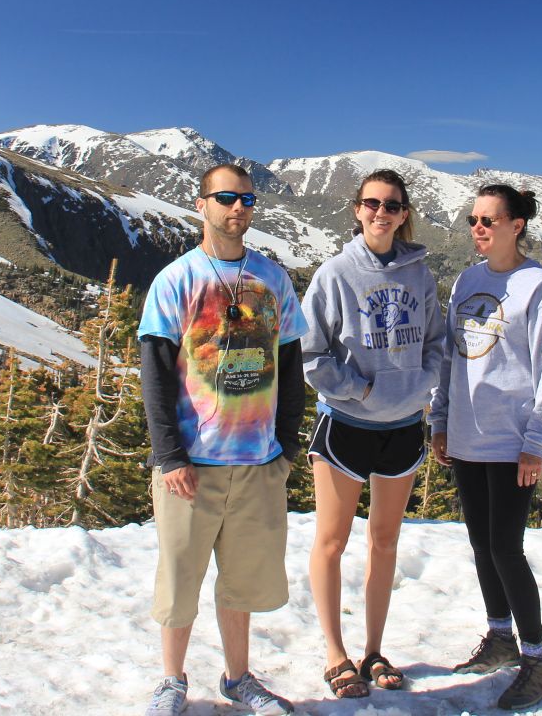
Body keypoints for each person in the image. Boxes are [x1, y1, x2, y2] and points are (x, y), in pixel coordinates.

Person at [139, 163, 307, 716]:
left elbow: (289, 363)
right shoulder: (177, 280)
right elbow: (157, 375)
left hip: (258, 462)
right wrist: (168, 454)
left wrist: (283, 447)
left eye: (247, 200)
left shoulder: (272, 280)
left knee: (242, 581)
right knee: (180, 578)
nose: (238, 209)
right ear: (202, 204)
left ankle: (239, 678)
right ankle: (171, 680)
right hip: (192, 465)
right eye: (227, 198)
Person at [300, 169, 447, 699]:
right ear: (356, 210)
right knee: (332, 541)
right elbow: (311, 354)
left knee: (385, 542)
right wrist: (360, 391)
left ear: (404, 214)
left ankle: (374, 650)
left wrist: (421, 384)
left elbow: (436, 339)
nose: (380, 212)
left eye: (391, 205)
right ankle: (336, 653)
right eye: (371, 203)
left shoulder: (420, 274)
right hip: (346, 424)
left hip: (404, 426)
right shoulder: (335, 273)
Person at [429, 184, 542, 711]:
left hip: (512, 440)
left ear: (517, 225)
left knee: (507, 548)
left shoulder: (540, 285)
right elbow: (449, 356)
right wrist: (440, 419)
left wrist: (538, 441)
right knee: (482, 544)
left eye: (489, 220)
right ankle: (500, 639)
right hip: (467, 435)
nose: (478, 229)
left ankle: (537, 661)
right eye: (473, 220)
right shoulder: (467, 279)